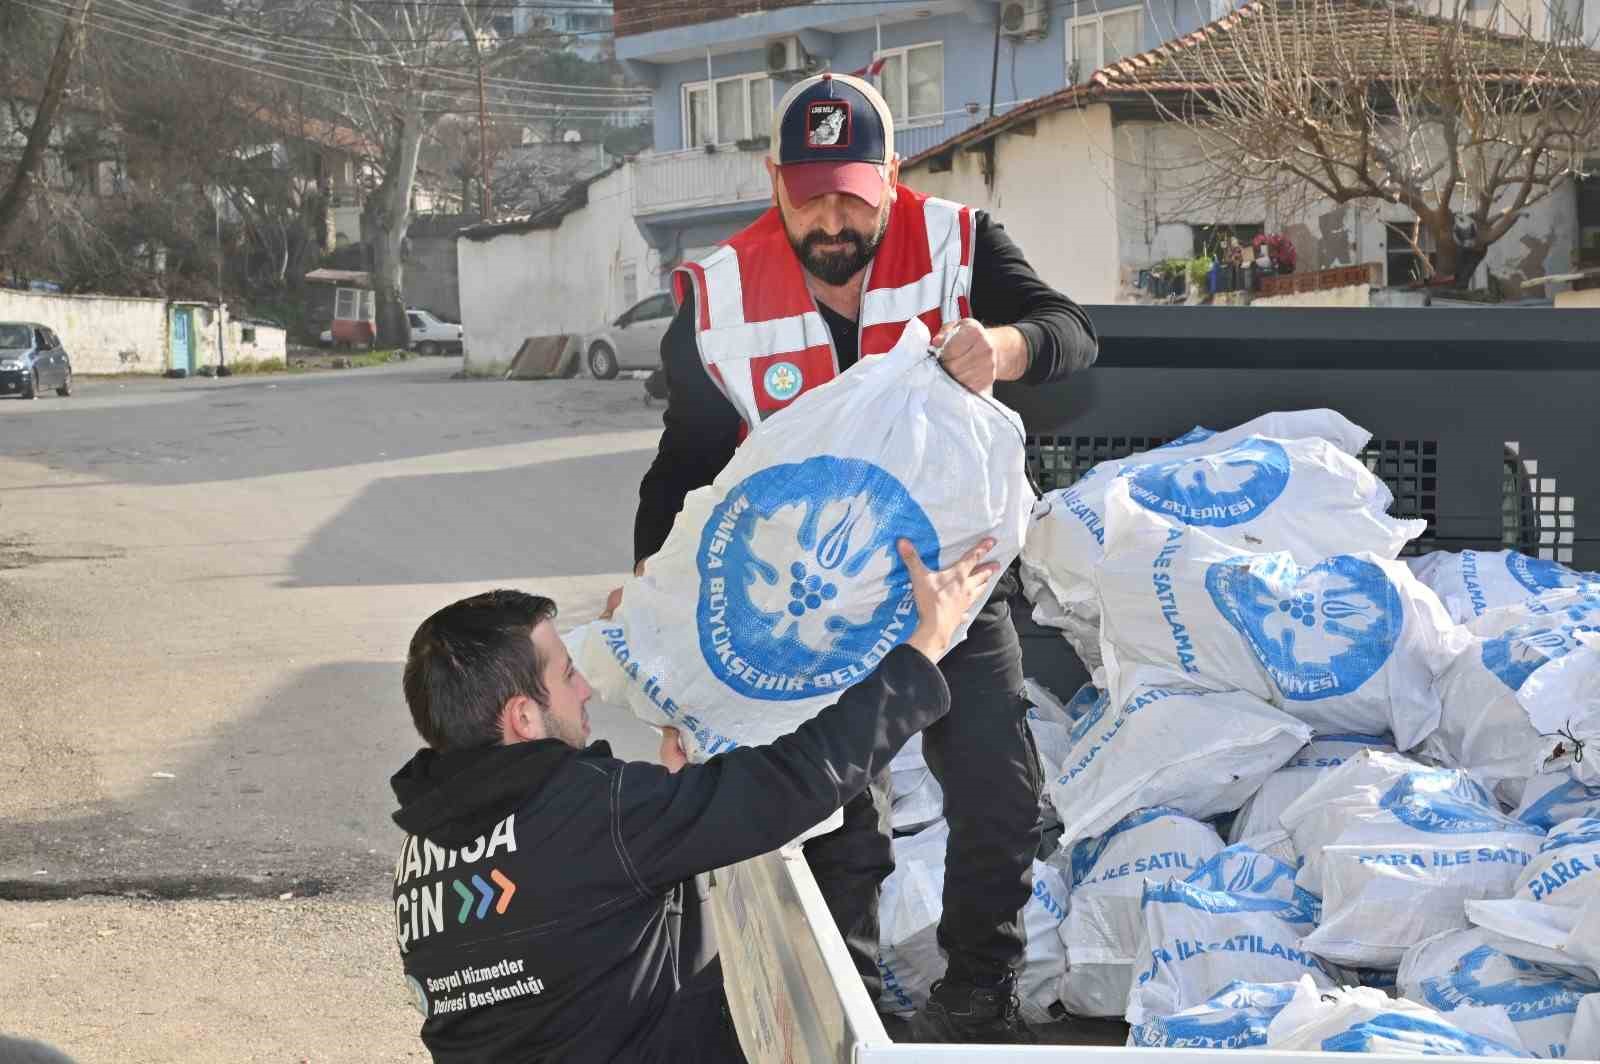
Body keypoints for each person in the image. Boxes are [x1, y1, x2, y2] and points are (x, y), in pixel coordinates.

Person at [629, 72, 1097, 1043]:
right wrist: (662, 649)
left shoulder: (958, 245)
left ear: (891, 174)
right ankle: (855, 1005)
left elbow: (1073, 336)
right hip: (809, 604)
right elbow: (682, 473)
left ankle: (978, 987)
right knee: (836, 808)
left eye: (853, 190)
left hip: (949, 583)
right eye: (810, 194)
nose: (832, 216)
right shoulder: (718, 297)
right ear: (775, 182)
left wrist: (1003, 347)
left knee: (996, 787)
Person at [389, 536, 1002, 1063]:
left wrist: (669, 808)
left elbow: (573, 921)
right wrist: (926, 645)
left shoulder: (422, 851)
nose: (585, 691)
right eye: (567, 674)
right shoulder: (596, 813)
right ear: (523, 715)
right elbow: (789, 784)